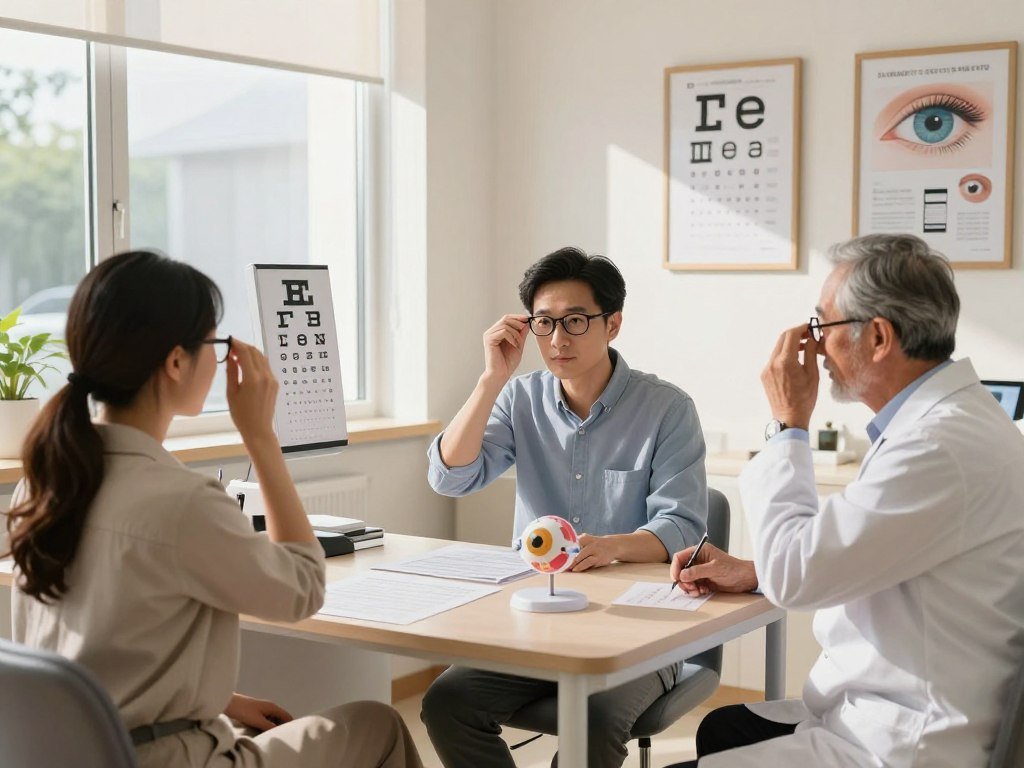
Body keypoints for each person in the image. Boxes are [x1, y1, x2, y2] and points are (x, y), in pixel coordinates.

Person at [3, 251, 422, 768]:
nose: (220, 359)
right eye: (214, 343)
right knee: (377, 723)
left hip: (76, 751)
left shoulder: (42, 486)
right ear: (176, 361)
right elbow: (303, 589)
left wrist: (224, 703)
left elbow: (99, 653)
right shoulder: (183, 501)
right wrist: (263, 438)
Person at [665, 234, 1024, 768]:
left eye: (821, 326)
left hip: (905, 741)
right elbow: (866, 547)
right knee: (724, 727)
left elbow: (799, 578)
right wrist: (755, 570)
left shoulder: (934, 447)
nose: (814, 347)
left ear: (877, 337)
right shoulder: (950, 422)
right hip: (905, 703)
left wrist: (788, 423)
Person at [421, 246, 708, 768]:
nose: (557, 340)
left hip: (640, 625)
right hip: (535, 616)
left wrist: (610, 547)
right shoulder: (519, 397)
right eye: (544, 323)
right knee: (448, 703)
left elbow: (683, 525)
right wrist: (491, 379)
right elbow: (451, 477)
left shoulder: (667, 408)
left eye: (575, 321)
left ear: (612, 324)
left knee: (593, 721)